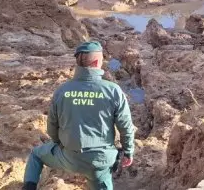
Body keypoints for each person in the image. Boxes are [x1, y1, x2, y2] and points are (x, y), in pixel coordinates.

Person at [23, 41, 134, 190]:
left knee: (36, 155)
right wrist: (128, 151)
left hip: (69, 158)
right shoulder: (113, 90)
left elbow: (52, 127)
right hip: (100, 161)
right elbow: (125, 126)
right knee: (100, 177)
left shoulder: (62, 90)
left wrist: (59, 144)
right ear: (96, 62)